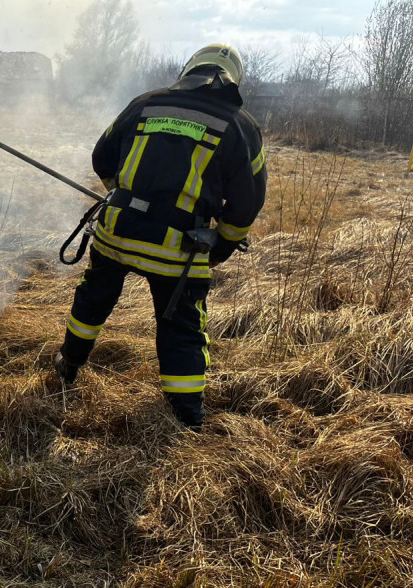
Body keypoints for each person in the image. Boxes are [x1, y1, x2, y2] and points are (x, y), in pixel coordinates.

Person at [53, 44, 267, 429]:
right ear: (234, 79)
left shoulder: (145, 103)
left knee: (93, 300)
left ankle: (67, 366)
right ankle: (187, 420)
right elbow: (245, 204)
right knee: (181, 325)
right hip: (178, 250)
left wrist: (121, 193)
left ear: (190, 69)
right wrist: (224, 245)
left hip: (117, 233)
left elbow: (102, 155)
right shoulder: (239, 125)